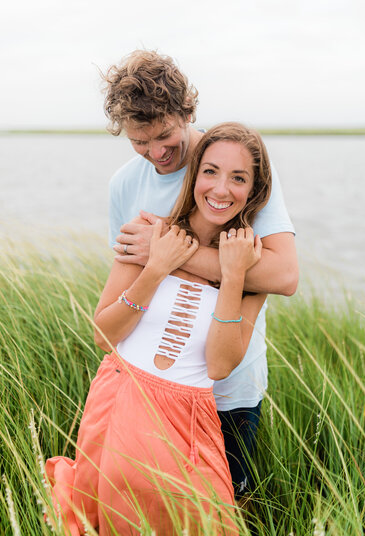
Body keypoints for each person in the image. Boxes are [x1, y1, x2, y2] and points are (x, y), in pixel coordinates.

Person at [46, 123, 272, 535]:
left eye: (238, 178)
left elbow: (220, 366)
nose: (221, 189)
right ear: (194, 175)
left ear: (254, 191)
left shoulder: (249, 263)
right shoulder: (150, 232)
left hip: (192, 417)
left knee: (204, 522)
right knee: (107, 516)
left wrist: (234, 273)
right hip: (122, 396)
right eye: (210, 171)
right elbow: (103, 336)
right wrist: (156, 267)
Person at [105, 50, 298, 496]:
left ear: (188, 112)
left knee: (230, 501)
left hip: (228, 383)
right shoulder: (124, 184)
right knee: (147, 502)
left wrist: (169, 249)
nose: (157, 153)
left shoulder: (232, 164)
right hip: (146, 384)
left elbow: (284, 275)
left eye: (167, 135)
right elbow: (124, 283)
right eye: (139, 141)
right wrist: (158, 260)